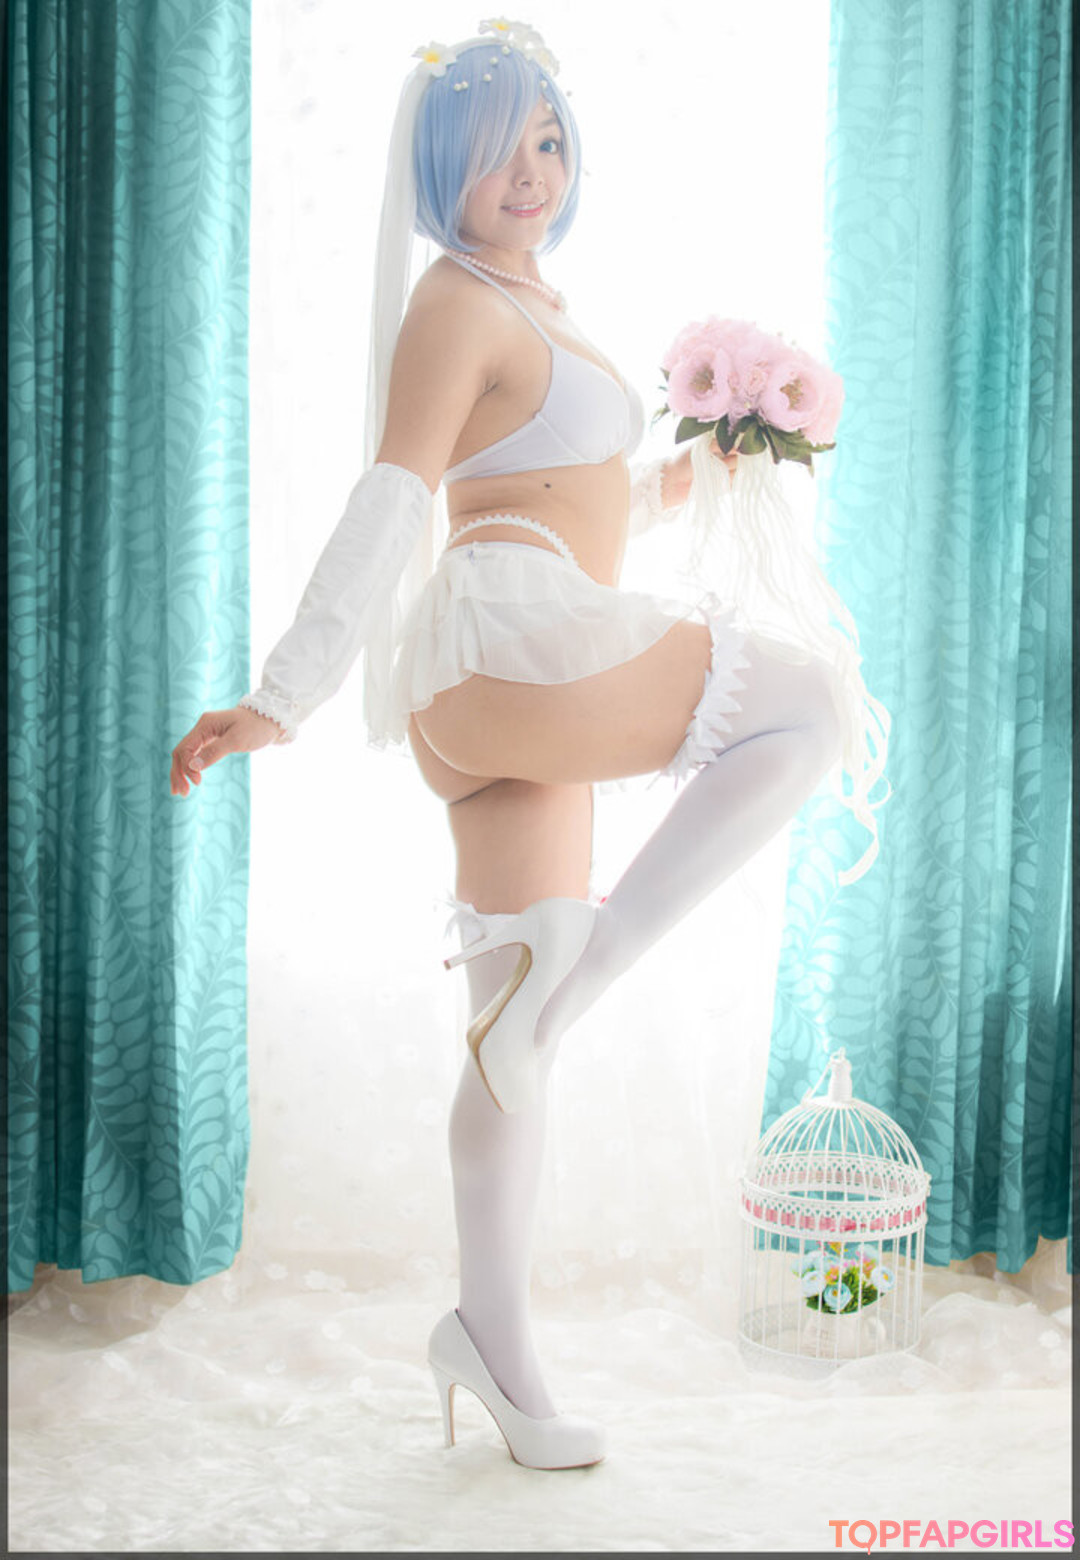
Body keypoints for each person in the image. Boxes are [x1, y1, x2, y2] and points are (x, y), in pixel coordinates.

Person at [169, 21, 848, 1471]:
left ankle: (491, 1342)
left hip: (512, 667)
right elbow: (394, 500)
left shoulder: (531, 298)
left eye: (547, 140)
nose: (530, 173)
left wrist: (688, 474)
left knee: (509, 1031)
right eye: (494, 152)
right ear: (441, 172)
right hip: (513, 639)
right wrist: (282, 696)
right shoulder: (454, 300)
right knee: (811, 708)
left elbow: (563, 496)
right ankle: (574, 982)